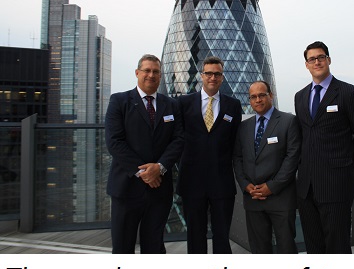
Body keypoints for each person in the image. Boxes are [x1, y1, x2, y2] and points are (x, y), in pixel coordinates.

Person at [294, 41, 354, 254]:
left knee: (337, 246)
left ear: (328, 60)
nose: (317, 62)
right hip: (306, 187)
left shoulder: (349, 93)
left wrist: (347, 166)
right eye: (312, 59)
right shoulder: (300, 97)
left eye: (321, 57)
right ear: (306, 65)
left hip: (336, 184)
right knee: (314, 246)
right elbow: (303, 136)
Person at [105, 54, 184, 254]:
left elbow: (178, 140)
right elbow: (114, 142)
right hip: (126, 188)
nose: (151, 75)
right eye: (147, 70)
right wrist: (144, 172)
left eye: (156, 71)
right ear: (137, 73)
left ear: (160, 76)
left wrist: (160, 167)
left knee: (154, 247)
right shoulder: (119, 101)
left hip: (159, 189)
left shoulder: (171, 105)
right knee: (123, 247)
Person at [177, 56, 242, 254]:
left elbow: (235, 143)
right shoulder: (183, 103)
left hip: (222, 182)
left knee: (222, 236)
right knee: (195, 237)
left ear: (222, 77)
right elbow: (177, 140)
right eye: (209, 73)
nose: (213, 77)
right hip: (191, 181)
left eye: (217, 74)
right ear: (201, 75)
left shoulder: (233, 105)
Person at [233, 81, 301, 254]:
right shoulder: (244, 127)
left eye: (262, 95)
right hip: (253, 198)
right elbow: (238, 158)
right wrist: (245, 185)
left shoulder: (288, 121)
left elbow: (292, 158)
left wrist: (272, 186)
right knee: (259, 250)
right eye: (253, 97)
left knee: (286, 248)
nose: (258, 100)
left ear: (271, 95)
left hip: (281, 198)